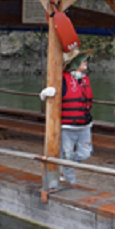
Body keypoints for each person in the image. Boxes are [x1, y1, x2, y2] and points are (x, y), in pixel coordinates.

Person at [39, 49, 94, 185]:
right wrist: (44, 95)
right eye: (82, 59)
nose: (85, 60)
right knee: (67, 155)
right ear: (73, 63)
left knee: (86, 153)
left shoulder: (85, 79)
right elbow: (49, 96)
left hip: (85, 126)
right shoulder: (62, 79)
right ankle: (71, 182)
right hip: (67, 127)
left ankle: (66, 164)